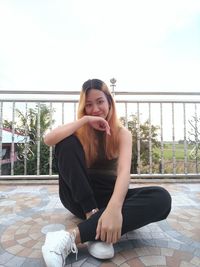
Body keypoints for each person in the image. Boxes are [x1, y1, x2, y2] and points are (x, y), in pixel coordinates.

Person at [42, 79, 171, 267]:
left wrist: (114, 208)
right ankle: (93, 217)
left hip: (109, 194)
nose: (95, 109)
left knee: (162, 198)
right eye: (88, 105)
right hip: (79, 196)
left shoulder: (123, 134)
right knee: (65, 142)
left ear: (110, 102)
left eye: (100, 102)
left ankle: (74, 235)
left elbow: (124, 173)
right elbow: (49, 139)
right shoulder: (80, 129)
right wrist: (84, 120)